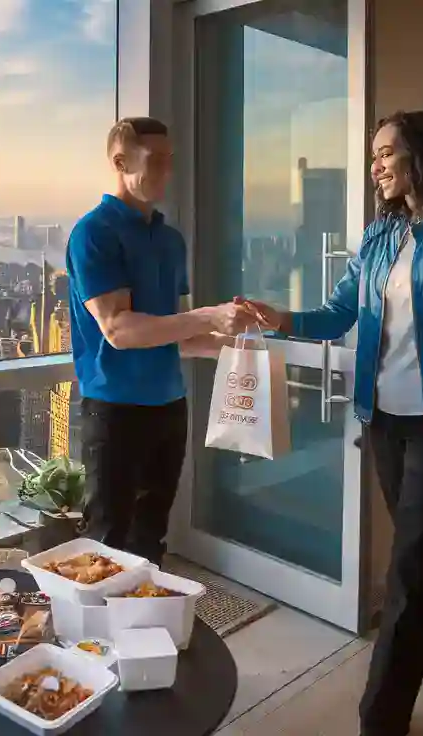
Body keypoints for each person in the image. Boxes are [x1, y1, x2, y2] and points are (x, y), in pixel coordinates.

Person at [244, 110, 423, 736]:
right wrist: (282, 318)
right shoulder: (379, 237)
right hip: (384, 420)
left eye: (386, 153)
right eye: (374, 156)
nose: (376, 167)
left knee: (410, 569)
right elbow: (340, 312)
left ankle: (381, 718)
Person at [67, 116, 256, 565]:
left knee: (151, 538)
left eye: (170, 160)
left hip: (170, 406)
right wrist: (207, 315)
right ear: (120, 162)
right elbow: (119, 330)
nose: (167, 172)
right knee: (107, 545)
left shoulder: (170, 241)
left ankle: (146, 611)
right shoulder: (94, 233)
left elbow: (176, 335)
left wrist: (237, 342)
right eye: (155, 161)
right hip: (115, 410)